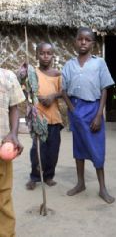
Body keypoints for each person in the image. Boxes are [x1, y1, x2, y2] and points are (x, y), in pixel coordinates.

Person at [62, 27, 115, 203]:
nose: (83, 42)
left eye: (87, 39)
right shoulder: (69, 65)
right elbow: (63, 90)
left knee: (97, 149)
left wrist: (99, 114)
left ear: (93, 43)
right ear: (75, 41)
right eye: (80, 39)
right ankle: (80, 183)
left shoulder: (99, 63)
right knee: (79, 148)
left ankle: (102, 188)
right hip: (76, 109)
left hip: (94, 109)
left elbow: (104, 89)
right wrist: (72, 109)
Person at [26, 42, 63, 190]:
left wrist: (52, 96)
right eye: (42, 53)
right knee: (37, 150)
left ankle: (48, 176)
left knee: (53, 150)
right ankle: (35, 177)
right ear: (37, 55)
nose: (45, 56)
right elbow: (26, 90)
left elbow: (63, 92)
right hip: (38, 118)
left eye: (49, 53)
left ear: (53, 55)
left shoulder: (57, 74)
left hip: (54, 119)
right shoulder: (32, 73)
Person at [0, 67, 25, 236]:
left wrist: (13, 133)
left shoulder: (7, 76)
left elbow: (14, 108)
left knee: (3, 197)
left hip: (2, 147)